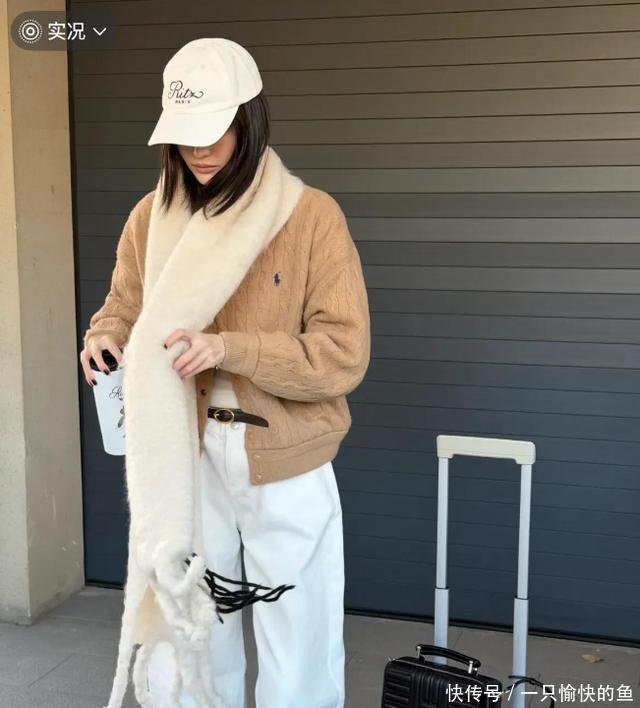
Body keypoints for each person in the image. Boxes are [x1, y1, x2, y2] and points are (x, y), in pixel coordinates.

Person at [80, 38, 370, 708]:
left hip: (285, 455)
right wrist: (104, 339)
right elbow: (123, 306)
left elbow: (342, 354)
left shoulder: (310, 217)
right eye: (186, 134)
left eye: (216, 129)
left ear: (250, 118)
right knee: (193, 628)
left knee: (299, 633)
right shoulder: (150, 219)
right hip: (182, 451)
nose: (200, 150)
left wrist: (229, 349)